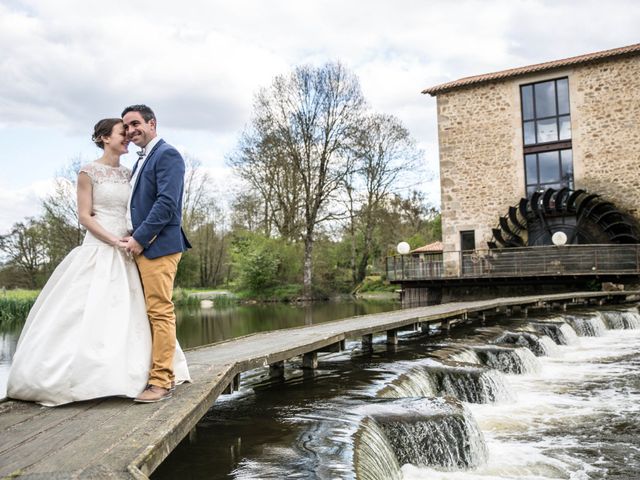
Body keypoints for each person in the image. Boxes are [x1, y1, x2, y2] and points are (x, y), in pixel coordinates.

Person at [6, 119, 190, 407]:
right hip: (101, 246)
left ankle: (139, 375)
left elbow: (144, 207)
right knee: (86, 310)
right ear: (105, 138)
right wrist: (112, 240)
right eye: (122, 132)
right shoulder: (87, 172)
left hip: (131, 249)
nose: (128, 136)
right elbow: (85, 216)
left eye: (131, 129)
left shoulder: (132, 173)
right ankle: (81, 377)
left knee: (135, 312)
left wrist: (133, 239)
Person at [120, 105, 192, 403]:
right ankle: (150, 373)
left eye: (136, 123)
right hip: (140, 245)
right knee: (145, 313)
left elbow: (166, 205)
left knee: (160, 312)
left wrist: (139, 238)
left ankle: (162, 381)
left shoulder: (167, 155)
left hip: (158, 246)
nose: (130, 130)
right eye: (126, 126)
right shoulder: (141, 160)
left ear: (152, 123)